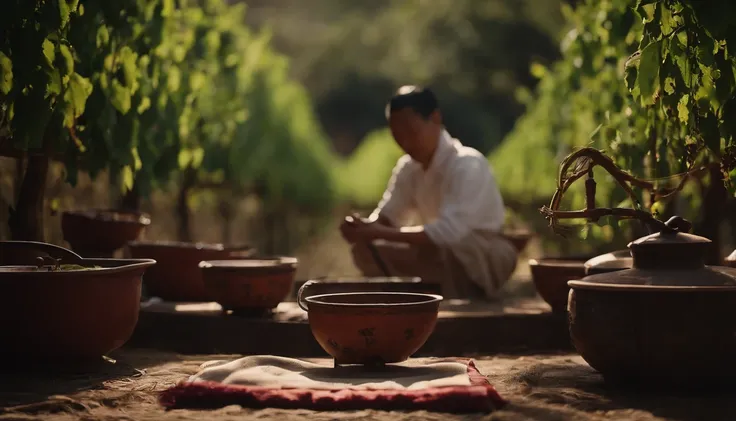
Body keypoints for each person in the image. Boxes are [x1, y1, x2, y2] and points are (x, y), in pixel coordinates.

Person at [339, 85, 518, 300]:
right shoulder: (408, 168)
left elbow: (449, 232)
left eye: (411, 132)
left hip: (480, 253)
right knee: (366, 249)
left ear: (435, 118)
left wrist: (377, 232)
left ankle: (456, 297)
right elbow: (388, 215)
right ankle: (412, 300)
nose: (405, 142)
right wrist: (364, 228)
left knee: (447, 248)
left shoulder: (467, 164)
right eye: (397, 135)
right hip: (435, 251)